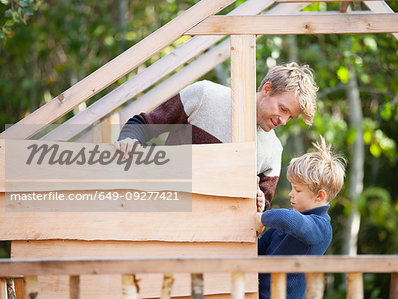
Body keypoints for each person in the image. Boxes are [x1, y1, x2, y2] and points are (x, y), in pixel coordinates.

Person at [114, 62, 318, 209]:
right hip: (165, 209)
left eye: (290, 117)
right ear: (267, 89)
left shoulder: (273, 150)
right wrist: (129, 140)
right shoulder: (205, 95)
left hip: (214, 244)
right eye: (282, 109)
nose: (283, 121)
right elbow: (144, 124)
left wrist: (258, 204)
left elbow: (260, 214)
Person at [256, 136, 346, 298]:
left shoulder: (321, 228)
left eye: (297, 190)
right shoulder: (289, 218)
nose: (291, 194)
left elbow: (287, 221)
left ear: (319, 195)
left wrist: (261, 218)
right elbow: (259, 248)